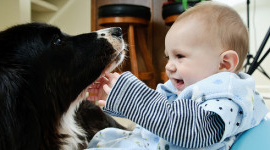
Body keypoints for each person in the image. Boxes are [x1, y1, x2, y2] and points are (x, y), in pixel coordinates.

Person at [87, 1, 269, 149]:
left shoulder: (227, 98)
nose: (169, 66)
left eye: (179, 56)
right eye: (168, 57)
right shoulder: (184, 85)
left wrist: (132, 97)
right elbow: (155, 108)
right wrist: (116, 97)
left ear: (224, 63)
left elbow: (190, 129)